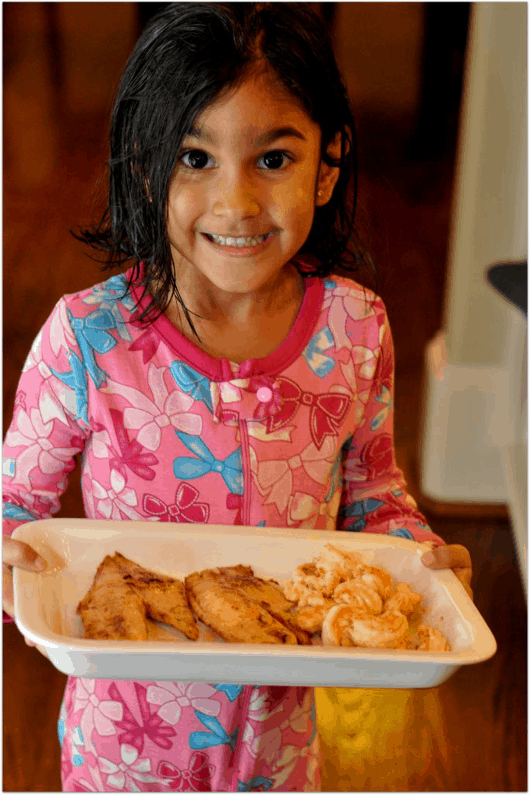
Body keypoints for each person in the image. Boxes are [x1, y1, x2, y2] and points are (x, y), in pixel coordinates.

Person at [2, 3, 472, 791]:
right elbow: (15, 505)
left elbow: (374, 496)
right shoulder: (88, 339)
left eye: (273, 159)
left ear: (327, 165)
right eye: (195, 157)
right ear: (147, 168)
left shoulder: (355, 330)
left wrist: (420, 557)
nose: (238, 202)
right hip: (123, 742)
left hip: (279, 740)